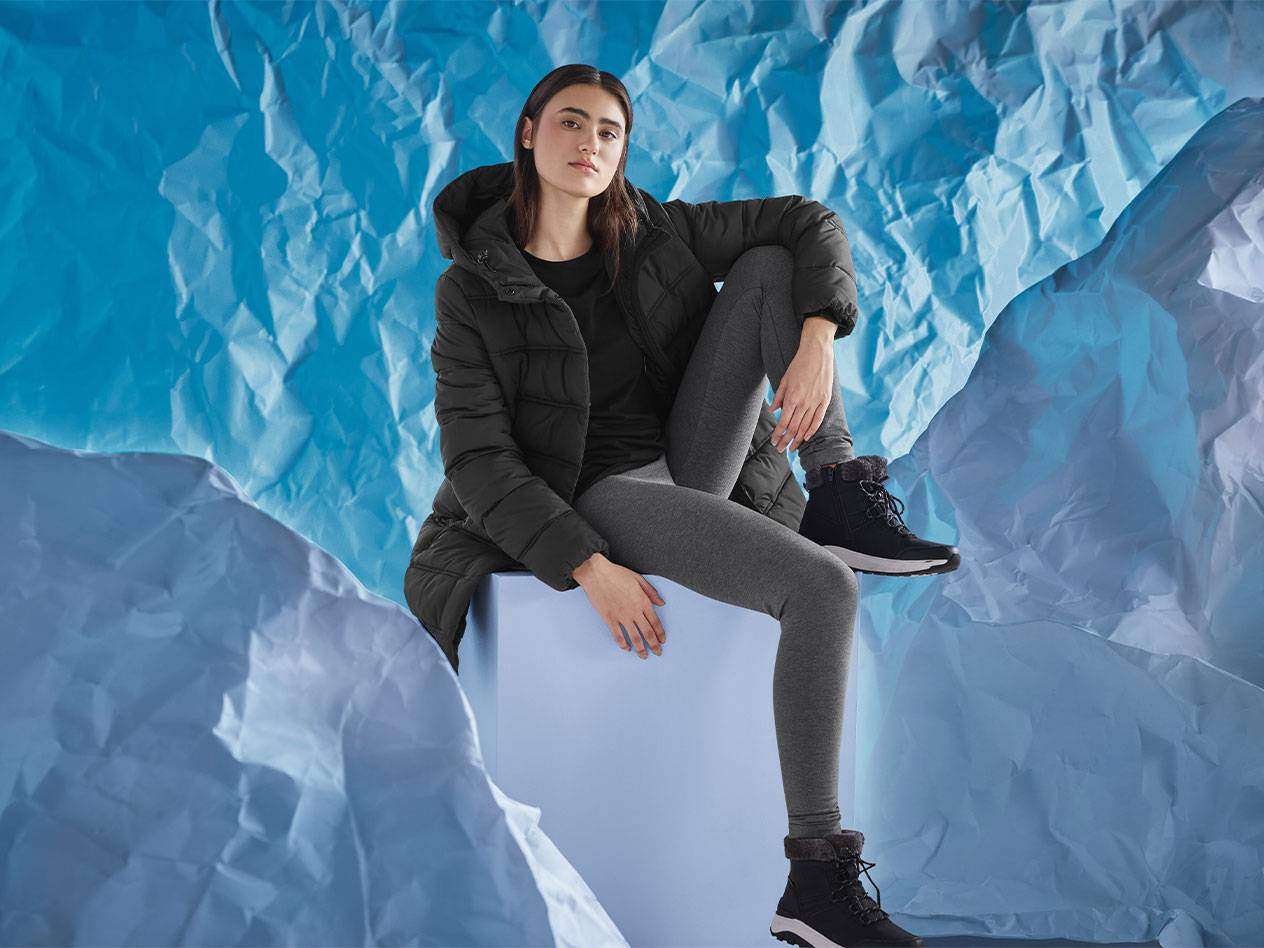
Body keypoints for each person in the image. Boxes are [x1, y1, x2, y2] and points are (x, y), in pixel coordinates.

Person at [409, 62, 957, 948]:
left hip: (686, 460)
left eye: (610, 132)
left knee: (774, 265)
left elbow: (806, 222)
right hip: (592, 495)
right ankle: (815, 879)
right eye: (572, 123)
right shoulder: (472, 289)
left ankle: (841, 487)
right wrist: (587, 565)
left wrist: (819, 331)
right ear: (528, 132)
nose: (591, 144)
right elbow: (478, 456)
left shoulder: (650, 229)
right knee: (822, 590)